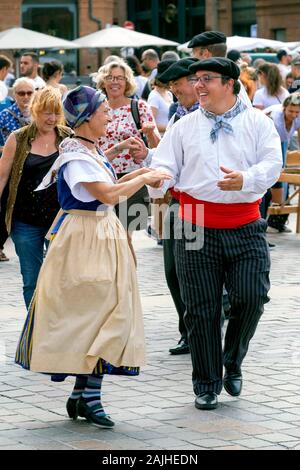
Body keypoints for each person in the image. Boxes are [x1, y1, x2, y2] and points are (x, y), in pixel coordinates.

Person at [15, 85, 171, 428]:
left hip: (100, 234)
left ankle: (84, 394)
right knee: (97, 315)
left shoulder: (86, 150)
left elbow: (107, 183)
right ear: (86, 119)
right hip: (84, 239)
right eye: (102, 112)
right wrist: (144, 175)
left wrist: (135, 169)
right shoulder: (73, 157)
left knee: (107, 312)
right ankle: (89, 397)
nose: (108, 116)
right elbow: (108, 193)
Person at [148, 58, 282, 410]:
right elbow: (165, 164)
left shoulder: (257, 123)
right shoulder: (183, 126)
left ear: (229, 83)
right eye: (196, 80)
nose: (199, 86)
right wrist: (158, 176)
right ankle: (206, 383)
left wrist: (247, 179)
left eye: (206, 79)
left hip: (245, 224)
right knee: (201, 309)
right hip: (193, 225)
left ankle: (232, 361)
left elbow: (272, 163)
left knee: (252, 297)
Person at [0, 87, 72, 309]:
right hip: (25, 221)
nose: (51, 119)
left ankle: (56, 327)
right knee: (31, 280)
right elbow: (2, 177)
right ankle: (35, 330)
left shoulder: (67, 137)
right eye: (45, 113)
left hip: (59, 220)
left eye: (55, 113)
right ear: (34, 110)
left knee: (60, 278)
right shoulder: (18, 138)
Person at [154, 57, 199, 355]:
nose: (174, 91)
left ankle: (198, 329)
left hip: (198, 204)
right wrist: (147, 152)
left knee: (193, 271)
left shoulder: (206, 115)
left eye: (177, 84)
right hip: (173, 202)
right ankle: (187, 329)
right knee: (173, 272)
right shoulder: (177, 114)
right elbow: (166, 156)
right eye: (170, 86)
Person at [96, 60, 160, 255]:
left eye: (120, 78)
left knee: (124, 237)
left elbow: (158, 147)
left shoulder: (138, 106)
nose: (115, 82)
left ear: (127, 82)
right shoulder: (96, 107)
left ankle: (128, 282)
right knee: (104, 238)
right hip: (101, 176)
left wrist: (149, 134)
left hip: (132, 177)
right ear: (103, 81)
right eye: (110, 77)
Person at [0, 77, 35, 263]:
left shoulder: (38, 115)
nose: (26, 97)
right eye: (21, 93)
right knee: (5, 206)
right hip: (11, 168)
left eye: (30, 92)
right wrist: (9, 148)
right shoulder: (5, 115)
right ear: (14, 95)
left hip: (33, 170)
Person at [263, 92, 300, 233]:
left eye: (297, 112)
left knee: (282, 177)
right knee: (275, 174)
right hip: (268, 141)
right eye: (291, 111)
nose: (294, 114)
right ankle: (270, 218)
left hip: (283, 140)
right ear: (284, 108)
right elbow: (271, 146)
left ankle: (277, 221)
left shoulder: (298, 116)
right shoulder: (275, 118)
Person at [187, 30, 252, 108]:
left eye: (194, 53)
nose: (192, 58)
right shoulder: (230, 78)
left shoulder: (226, 81)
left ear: (205, 54)